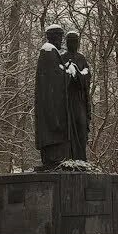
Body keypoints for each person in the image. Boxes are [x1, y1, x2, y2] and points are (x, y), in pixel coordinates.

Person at [34, 25, 69, 169]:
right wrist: (67, 73)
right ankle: (51, 160)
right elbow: (54, 78)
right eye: (59, 37)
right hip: (51, 103)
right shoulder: (48, 51)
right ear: (53, 37)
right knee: (52, 133)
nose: (61, 40)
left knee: (54, 134)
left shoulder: (51, 52)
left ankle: (53, 160)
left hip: (52, 101)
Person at [61, 30, 91, 161]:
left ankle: (80, 157)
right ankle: (68, 158)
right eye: (70, 42)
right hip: (67, 100)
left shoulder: (81, 58)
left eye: (75, 41)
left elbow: (87, 76)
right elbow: (59, 78)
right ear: (66, 43)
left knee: (81, 127)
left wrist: (77, 74)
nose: (72, 44)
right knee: (68, 128)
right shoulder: (62, 57)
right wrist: (68, 74)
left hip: (79, 99)